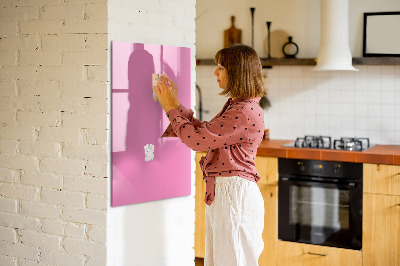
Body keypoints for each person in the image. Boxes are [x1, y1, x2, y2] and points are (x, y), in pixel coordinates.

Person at [153, 44, 266, 266]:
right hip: (228, 193)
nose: (215, 72)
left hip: (234, 195)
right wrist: (175, 103)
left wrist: (169, 108)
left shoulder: (243, 111)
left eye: (221, 67)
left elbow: (197, 140)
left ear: (237, 71)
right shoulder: (239, 106)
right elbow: (205, 133)